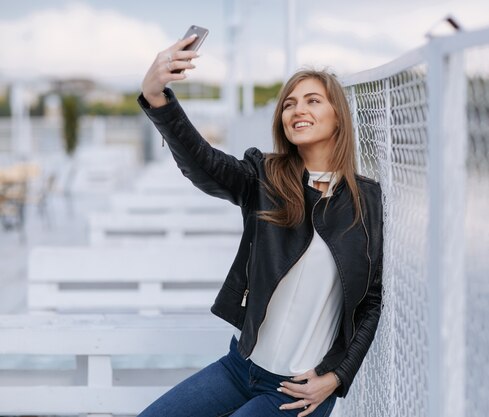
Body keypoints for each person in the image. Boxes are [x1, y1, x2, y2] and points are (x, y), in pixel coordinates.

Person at [136, 34, 384, 417]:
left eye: (312, 100)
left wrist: (337, 377)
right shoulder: (265, 177)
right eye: (289, 103)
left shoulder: (366, 202)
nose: (297, 110)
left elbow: (370, 302)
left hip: (298, 391)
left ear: (339, 116)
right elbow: (205, 163)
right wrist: (157, 98)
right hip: (240, 367)